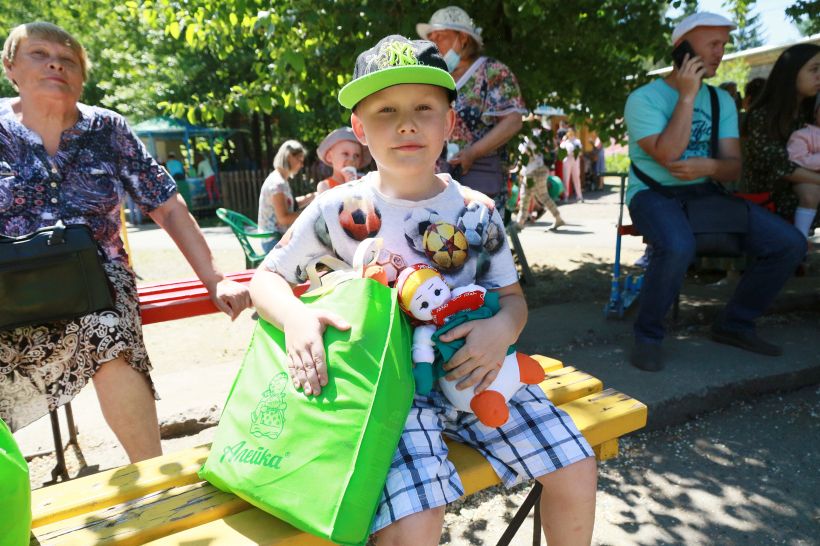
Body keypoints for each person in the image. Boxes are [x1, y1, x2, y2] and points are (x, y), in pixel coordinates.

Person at [249, 35, 597, 545]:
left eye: (424, 107)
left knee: (576, 466)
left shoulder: (477, 210)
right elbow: (265, 279)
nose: (406, 123)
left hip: (476, 374)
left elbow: (514, 299)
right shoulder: (336, 210)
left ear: (450, 123)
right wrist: (296, 318)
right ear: (360, 129)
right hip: (388, 396)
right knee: (416, 523)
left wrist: (501, 329)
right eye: (386, 109)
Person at [0, 22, 251, 461]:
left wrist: (216, 280)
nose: (56, 62)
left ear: (82, 76)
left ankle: (151, 474)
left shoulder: (107, 129)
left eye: (70, 58)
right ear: (10, 67)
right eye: (39, 53)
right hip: (10, 283)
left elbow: (168, 206)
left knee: (107, 327)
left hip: (93, 281)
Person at [623, 12, 806, 372]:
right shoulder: (643, 99)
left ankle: (735, 323)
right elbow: (669, 153)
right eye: (712, 44)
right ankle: (647, 335)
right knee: (677, 245)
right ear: (682, 51)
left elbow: (733, 166)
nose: (720, 52)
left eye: (723, 44)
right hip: (651, 194)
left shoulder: (723, 101)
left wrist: (709, 167)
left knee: (790, 244)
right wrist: (688, 97)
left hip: (704, 192)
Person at [418, 5, 526, 212]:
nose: (433, 43)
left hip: (479, 180)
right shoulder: (435, 77)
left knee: (477, 239)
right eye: (430, 37)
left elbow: (513, 120)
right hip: (435, 184)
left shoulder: (491, 71)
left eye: (440, 36)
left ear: (463, 39)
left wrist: (473, 153)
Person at [742, 44, 820, 236]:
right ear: (791, 72)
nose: (819, 76)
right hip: (770, 204)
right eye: (814, 69)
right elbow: (781, 167)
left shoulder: (809, 113)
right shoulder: (763, 116)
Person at [257, 139, 314, 252]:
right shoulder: (278, 184)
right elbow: (283, 218)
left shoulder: (280, 179)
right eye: (299, 160)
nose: (302, 165)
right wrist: (310, 213)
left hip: (276, 238)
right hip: (273, 241)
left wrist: (313, 196)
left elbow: (289, 204)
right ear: (288, 157)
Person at [516, 114, 565, 229]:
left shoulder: (528, 137)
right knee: (543, 196)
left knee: (526, 196)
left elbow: (526, 154)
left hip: (532, 170)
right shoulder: (541, 135)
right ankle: (558, 218)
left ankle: (519, 223)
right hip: (542, 169)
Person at [786, 96, 820, 238]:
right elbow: (797, 157)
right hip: (808, 178)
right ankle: (801, 237)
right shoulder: (803, 134)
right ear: (815, 113)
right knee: (809, 196)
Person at [315, 127, 371, 194]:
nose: (352, 159)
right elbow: (334, 204)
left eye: (356, 155)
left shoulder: (364, 181)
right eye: (345, 154)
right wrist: (349, 186)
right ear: (329, 157)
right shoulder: (325, 186)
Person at [560, 128, 583, 202]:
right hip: (567, 160)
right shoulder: (565, 142)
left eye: (571, 132)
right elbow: (561, 149)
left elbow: (580, 151)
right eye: (569, 132)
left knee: (576, 178)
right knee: (566, 178)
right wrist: (563, 140)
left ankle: (579, 196)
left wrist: (575, 152)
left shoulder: (577, 141)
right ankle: (566, 196)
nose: (570, 134)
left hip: (575, 160)